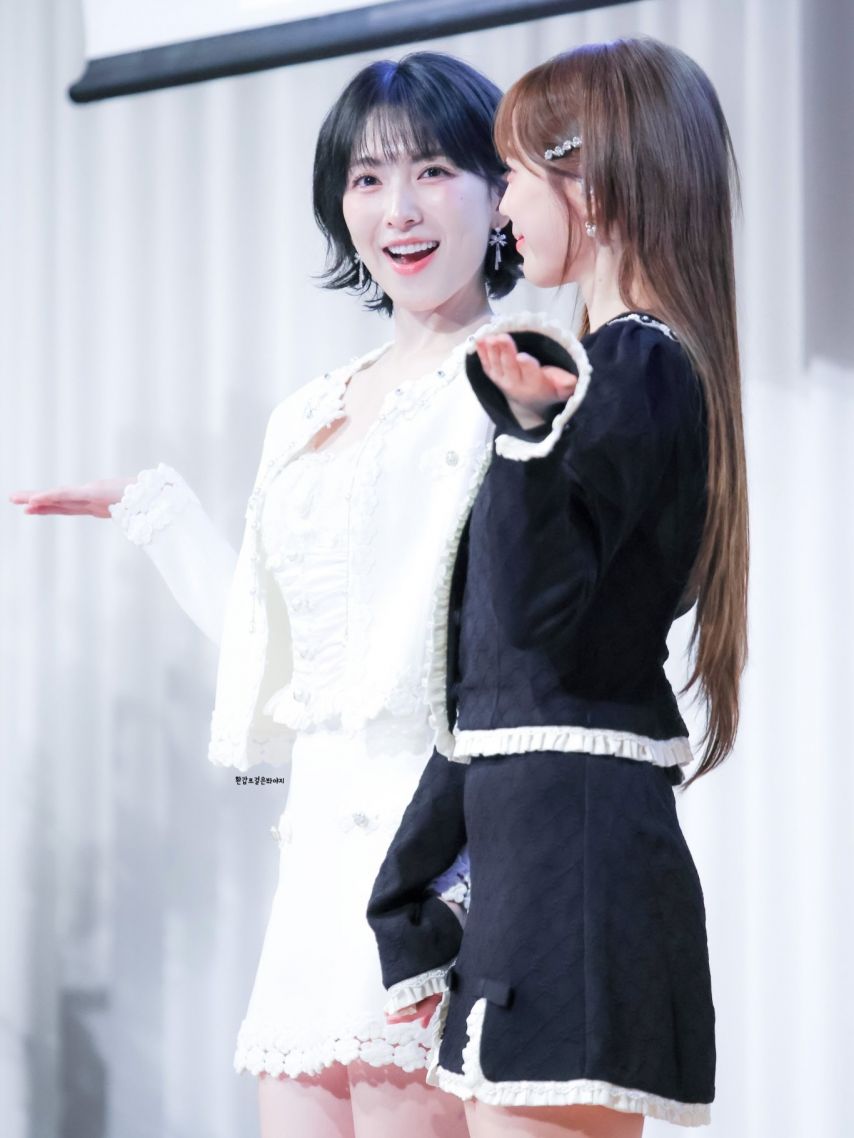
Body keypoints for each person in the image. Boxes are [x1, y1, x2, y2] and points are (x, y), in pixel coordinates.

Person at [11, 52, 525, 1138]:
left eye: (432, 171)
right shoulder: (308, 411)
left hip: (444, 860)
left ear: (499, 194)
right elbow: (273, 645)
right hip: (316, 878)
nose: (398, 209)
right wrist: (156, 516)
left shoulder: (520, 383)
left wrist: (473, 881)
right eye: (367, 178)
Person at [367, 37, 749, 1138]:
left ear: (596, 182)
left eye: (516, 177)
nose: (500, 211)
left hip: (573, 871)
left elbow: (533, 620)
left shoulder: (635, 367)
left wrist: (530, 438)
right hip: (547, 857)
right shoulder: (624, 365)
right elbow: (505, 662)